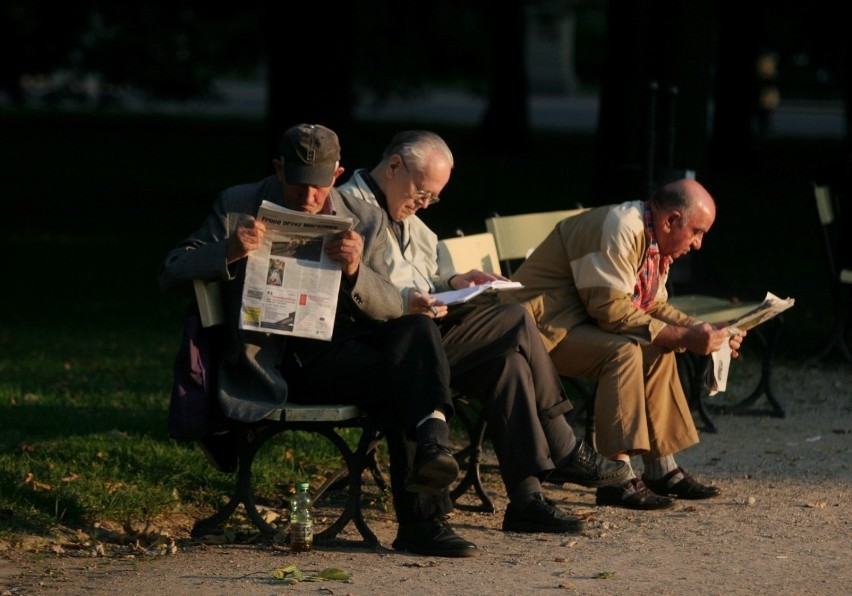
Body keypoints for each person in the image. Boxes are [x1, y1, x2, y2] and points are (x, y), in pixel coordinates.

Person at [159, 123, 477, 558]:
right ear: (278, 169)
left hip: (340, 353)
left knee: (414, 331)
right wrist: (229, 250)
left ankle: (431, 451)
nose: (309, 198)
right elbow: (172, 270)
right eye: (297, 184)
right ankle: (424, 514)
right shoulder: (237, 203)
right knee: (403, 380)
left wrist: (355, 272)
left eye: (320, 186)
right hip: (278, 361)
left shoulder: (361, 216)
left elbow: (389, 305)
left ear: (338, 173)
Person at [337, 130, 629, 534]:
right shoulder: (349, 208)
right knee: (515, 319)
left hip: (427, 336)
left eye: (432, 198)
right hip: (395, 345)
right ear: (393, 167)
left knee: (506, 365)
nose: (423, 204)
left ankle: (526, 500)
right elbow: (367, 288)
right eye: (422, 193)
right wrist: (415, 298)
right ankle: (563, 444)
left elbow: (427, 276)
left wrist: (458, 280)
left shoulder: (413, 222)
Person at [502, 178, 746, 510]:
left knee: (658, 345)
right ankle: (616, 478)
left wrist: (704, 330)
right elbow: (611, 311)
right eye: (696, 232)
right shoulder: (621, 228)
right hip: (538, 332)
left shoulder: (653, 240)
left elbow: (653, 307)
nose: (698, 244)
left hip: (575, 322)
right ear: (671, 220)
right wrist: (687, 337)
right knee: (624, 351)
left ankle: (661, 468)